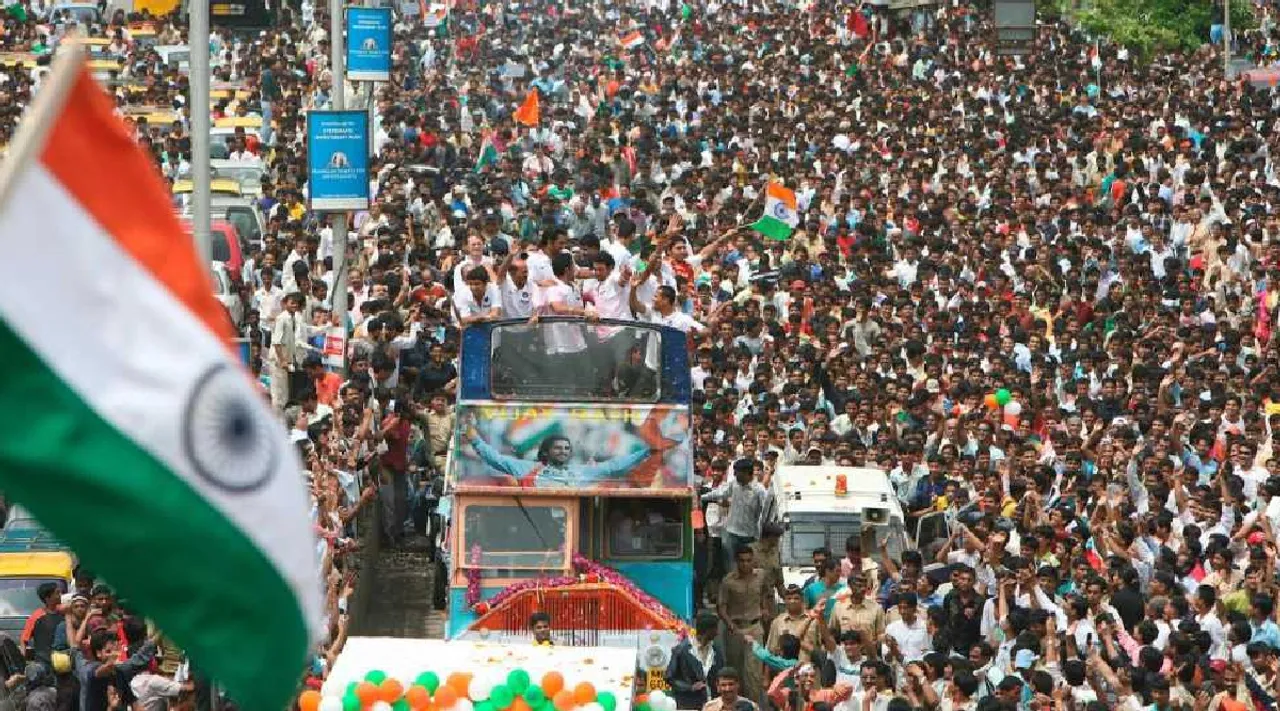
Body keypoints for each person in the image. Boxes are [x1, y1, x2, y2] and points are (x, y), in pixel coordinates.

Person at [461, 409, 682, 487]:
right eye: (558, 448)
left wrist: (648, 451)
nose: (564, 451)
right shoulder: (525, 468)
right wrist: (473, 438)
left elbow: (615, 465)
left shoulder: (582, 472)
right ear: (545, 452)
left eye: (567, 448)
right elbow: (495, 458)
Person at [717, 547, 768, 705]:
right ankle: (735, 706)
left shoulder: (761, 576)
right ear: (737, 562)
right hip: (736, 629)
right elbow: (721, 607)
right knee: (736, 670)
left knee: (753, 672)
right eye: (742, 561)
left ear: (753, 560)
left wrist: (765, 609)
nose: (746, 564)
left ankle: (753, 706)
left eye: (748, 560)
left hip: (755, 627)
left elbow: (765, 594)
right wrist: (730, 625)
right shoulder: (728, 581)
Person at [701, 459, 770, 573]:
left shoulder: (759, 491)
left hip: (749, 536)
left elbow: (765, 512)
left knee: (748, 567)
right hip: (731, 533)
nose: (735, 476)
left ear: (748, 474)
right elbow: (720, 493)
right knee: (730, 568)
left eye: (738, 474)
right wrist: (702, 497)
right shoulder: (734, 484)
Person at [666, 612, 724, 710]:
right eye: (715, 629)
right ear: (707, 630)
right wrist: (690, 687)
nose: (717, 633)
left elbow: (721, 672)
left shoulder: (716, 650)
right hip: (689, 704)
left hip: (713, 704)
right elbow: (669, 677)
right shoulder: (681, 650)